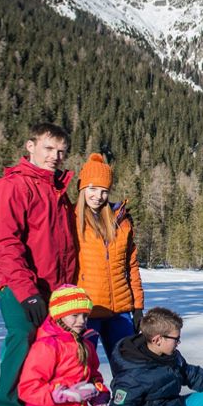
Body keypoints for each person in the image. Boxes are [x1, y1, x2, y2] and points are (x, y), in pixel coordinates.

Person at [0, 123, 76, 406]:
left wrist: (67, 292)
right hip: (20, 286)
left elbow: (65, 249)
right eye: (49, 149)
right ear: (30, 146)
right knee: (21, 343)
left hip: (54, 289)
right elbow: (6, 244)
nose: (56, 157)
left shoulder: (58, 193)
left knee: (49, 354)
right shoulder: (12, 187)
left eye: (62, 151)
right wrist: (27, 292)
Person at [18, 286, 124, 406]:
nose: (81, 321)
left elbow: (94, 376)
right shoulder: (47, 346)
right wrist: (62, 395)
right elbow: (27, 388)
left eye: (85, 315)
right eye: (74, 315)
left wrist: (100, 397)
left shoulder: (86, 344)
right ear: (59, 315)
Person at [74, 153, 144, 361]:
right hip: (86, 312)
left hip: (120, 312)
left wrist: (138, 307)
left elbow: (131, 266)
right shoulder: (72, 221)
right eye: (92, 189)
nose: (98, 196)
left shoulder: (121, 222)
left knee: (129, 371)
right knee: (82, 370)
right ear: (82, 188)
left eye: (104, 191)